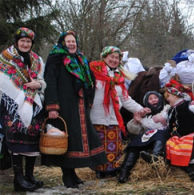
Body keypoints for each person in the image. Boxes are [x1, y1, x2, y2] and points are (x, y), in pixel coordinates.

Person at [44, 31, 107, 188]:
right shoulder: (55, 59)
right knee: (66, 140)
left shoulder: (81, 59)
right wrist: (52, 106)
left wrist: (89, 97)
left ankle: (72, 173)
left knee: (76, 140)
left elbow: (89, 79)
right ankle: (67, 175)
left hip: (79, 105)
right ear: (63, 43)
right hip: (64, 105)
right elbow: (50, 82)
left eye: (73, 41)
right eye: (68, 41)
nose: (72, 44)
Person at [89, 46, 148, 179]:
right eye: (112, 57)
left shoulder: (119, 77)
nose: (114, 60)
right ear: (104, 57)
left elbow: (125, 99)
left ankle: (112, 170)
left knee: (114, 146)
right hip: (97, 117)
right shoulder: (94, 73)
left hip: (114, 118)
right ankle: (99, 170)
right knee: (99, 146)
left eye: (117, 58)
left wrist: (140, 109)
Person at [0, 27, 46, 192]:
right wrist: (18, 93)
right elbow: (3, 81)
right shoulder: (5, 58)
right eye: (22, 41)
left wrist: (38, 84)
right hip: (12, 105)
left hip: (33, 105)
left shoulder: (37, 59)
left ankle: (29, 176)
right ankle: (18, 179)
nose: (25, 44)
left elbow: (43, 80)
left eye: (28, 41)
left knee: (32, 140)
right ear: (17, 42)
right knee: (15, 139)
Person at [118, 91, 170, 183]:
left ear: (160, 99)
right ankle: (124, 172)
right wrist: (136, 120)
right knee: (135, 142)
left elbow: (156, 125)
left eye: (155, 97)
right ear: (146, 102)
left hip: (162, 138)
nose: (153, 100)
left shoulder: (166, 109)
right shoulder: (146, 115)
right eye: (150, 99)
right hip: (148, 139)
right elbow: (133, 130)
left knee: (159, 133)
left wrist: (141, 121)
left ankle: (155, 157)